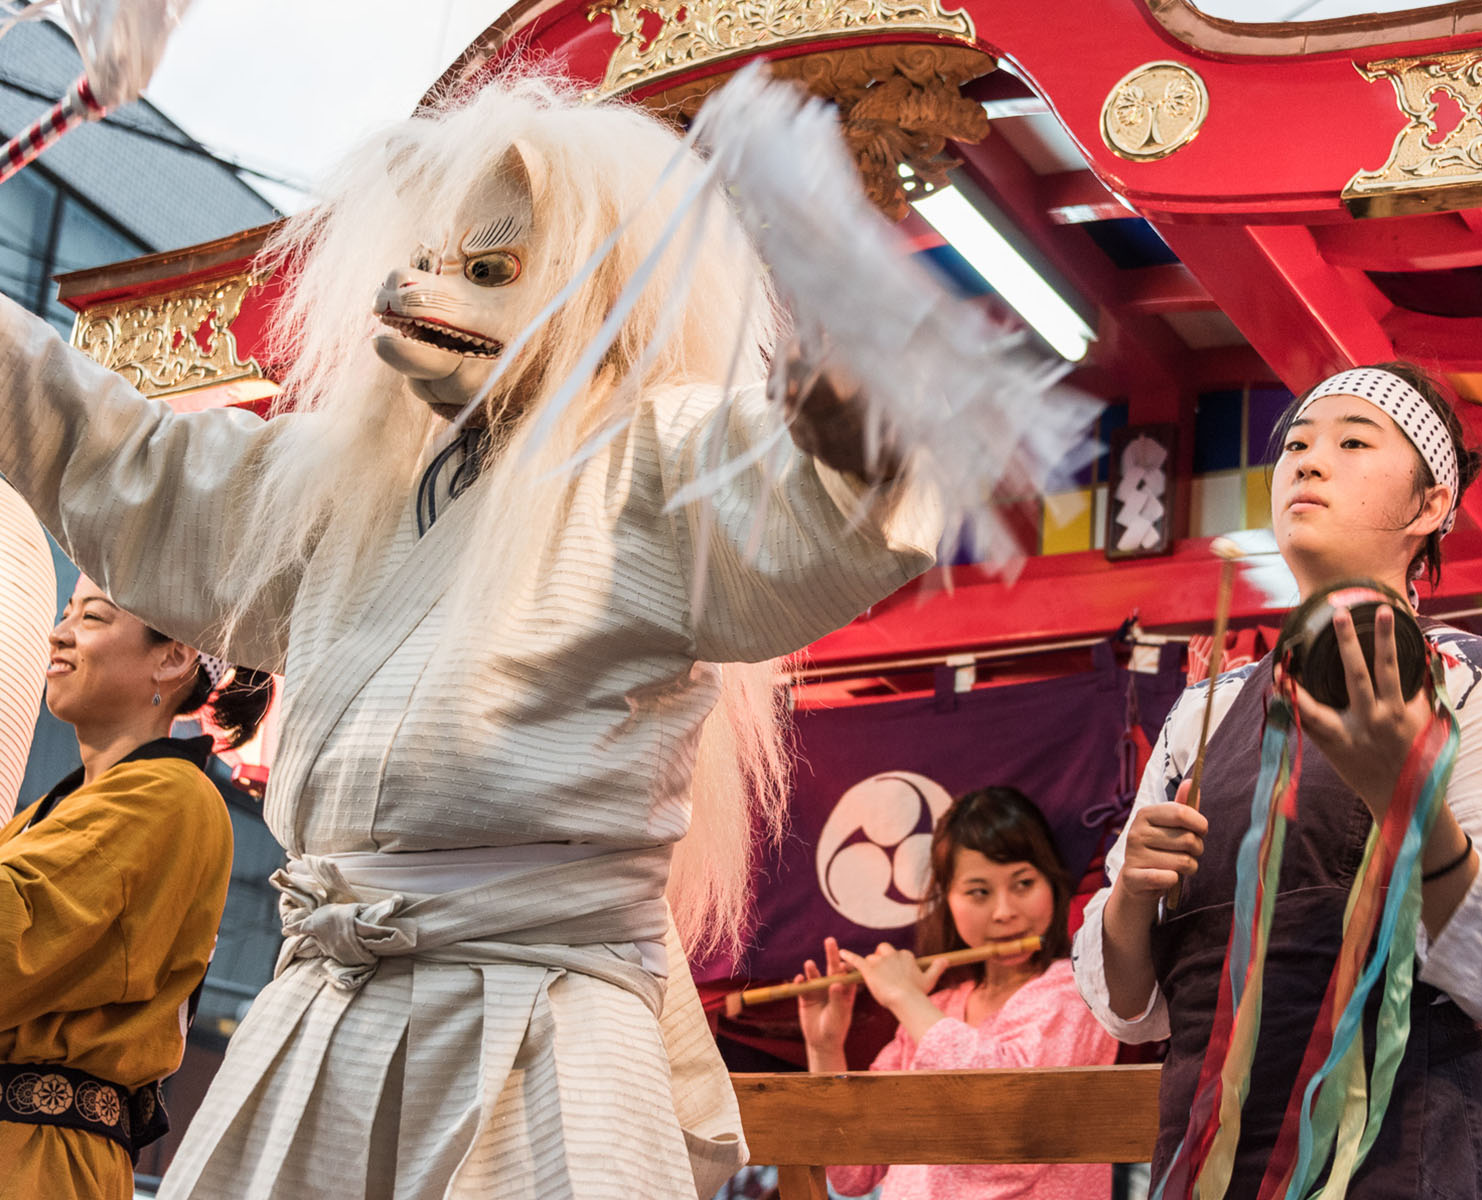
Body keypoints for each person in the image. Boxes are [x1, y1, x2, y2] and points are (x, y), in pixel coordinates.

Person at [0, 75, 943, 1199]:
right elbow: (131, 463)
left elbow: (796, 502)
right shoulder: (341, 480)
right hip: (323, 1007)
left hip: (537, 1016)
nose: (424, 288)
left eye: (491, 272)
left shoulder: (656, 458)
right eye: (436, 258)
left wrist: (859, 452)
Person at [1075, 363, 1482, 1198]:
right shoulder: (1203, 714)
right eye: (1298, 446)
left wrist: (1408, 807)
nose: (1309, 464)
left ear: (1430, 506)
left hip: (1405, 1158)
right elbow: (1136, 1008)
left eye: (1353, 443)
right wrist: (1132, 894)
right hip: (1206, 1161)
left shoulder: (1469, 680)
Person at [1, 574, 272, 1199]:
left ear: (173, 657)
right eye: (66, 613)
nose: (59, 633)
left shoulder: (167, 797)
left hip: (36, 1159)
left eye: (92, 617)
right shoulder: (56, 806)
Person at [799, 786, 1118, 1199]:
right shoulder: (938, 1009)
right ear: (946, 900)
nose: (1004, 911)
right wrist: (825, 1050)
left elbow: (1007, 1127)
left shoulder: (1077, 991)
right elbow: (852, 1173)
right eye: (979, 892)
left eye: (1023, 883)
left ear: (1052, 887)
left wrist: (905, 999)